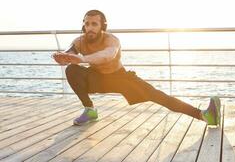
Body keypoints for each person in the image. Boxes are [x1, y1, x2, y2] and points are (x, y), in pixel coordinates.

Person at [52, 10, 221, 126]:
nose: (90, 27)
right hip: (96, 78)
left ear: (102, 26)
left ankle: (204, 116)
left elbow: (107, 55)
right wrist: (64, 57)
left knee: (158, 96)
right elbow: (70, 52)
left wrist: (81, 58)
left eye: (94, 24)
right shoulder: (79, 41)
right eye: (87, 24)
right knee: (71, 70)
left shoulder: (112, 40)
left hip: (120, 78)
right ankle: (90, 110)